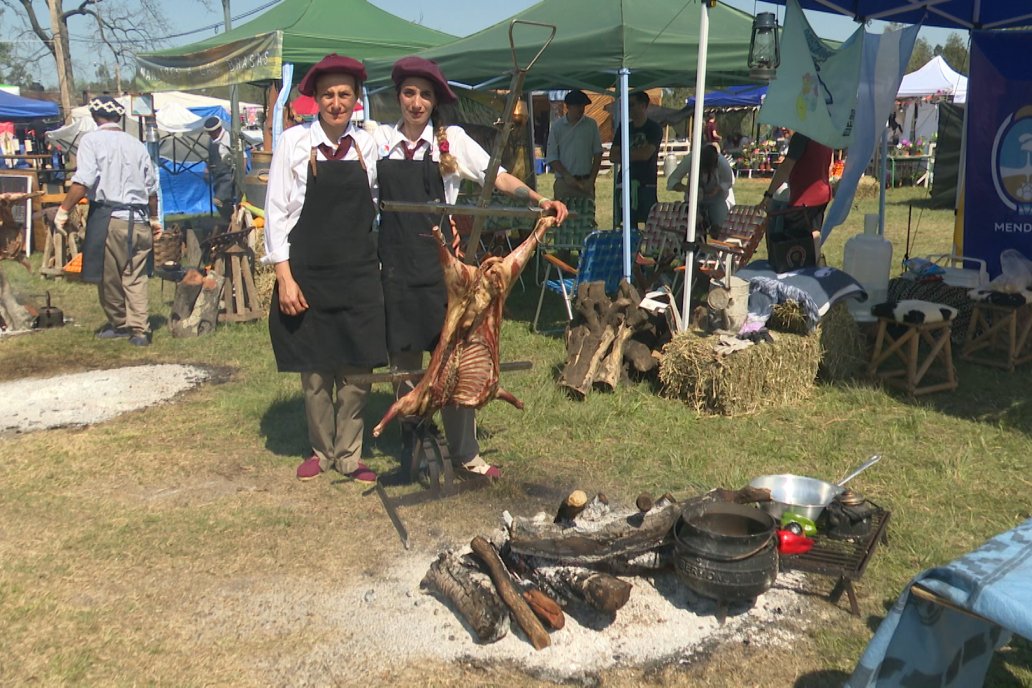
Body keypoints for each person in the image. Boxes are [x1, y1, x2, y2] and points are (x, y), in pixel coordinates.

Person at [374, 56, 567, 480]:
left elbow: (496, 177)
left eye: (424, 95)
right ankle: (415, 437)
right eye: (409, 93)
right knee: (405, 361)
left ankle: (465, 453)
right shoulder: (380, 141)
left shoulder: (451, 142)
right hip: (397, 269)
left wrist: (538, 201)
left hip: (446, 273)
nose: (416, 102)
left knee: (457, 357)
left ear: (434, 102)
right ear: (398, 97)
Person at [263, 54, 386, 483]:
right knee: (314, 368)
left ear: (356, 100)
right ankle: (321, 449)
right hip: (309, 268)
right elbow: (276, 211)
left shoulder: (368, 145)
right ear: (315, 99)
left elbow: (383, 203)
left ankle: (350, 454)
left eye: (345, 95)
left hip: (357, 270)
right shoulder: (294, 143)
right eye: (329, 94)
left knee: (357, 369)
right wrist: (284, 276)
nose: (337, 102)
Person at [54, 95, 160, 347]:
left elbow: (83, 181)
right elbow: (152, 189)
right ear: (118, 117)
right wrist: (155, 219)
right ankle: (141, 331)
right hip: (140, 218)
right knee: (135, 277)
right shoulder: (136, 144)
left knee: (107, 276)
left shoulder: (91, 141)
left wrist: (63, 210)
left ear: (94, 117)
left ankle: (121, 323)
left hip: (111, 219)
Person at [759, 130, 833, 268]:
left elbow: (786, 167)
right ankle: (817, 268)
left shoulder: (801, 136)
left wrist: (769, 194)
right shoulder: (825, 136)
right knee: (814, 233)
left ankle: (795, 274)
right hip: (822, 194)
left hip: (804, 197)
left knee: (793, 245)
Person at [610, 90, 663, 226]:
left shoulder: (654, 128)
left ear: (643, 106)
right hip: (625, 183)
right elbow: (612, 156)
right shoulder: (623, 128)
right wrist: (635, 154)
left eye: (632, 104)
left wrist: (624, 154)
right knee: (626, 224)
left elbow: (646, 155)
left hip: (647, 183)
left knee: (650, 224)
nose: (629, 108)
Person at [545, 89, 603, 203]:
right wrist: (566, 176)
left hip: (586, 182)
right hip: (564, 183)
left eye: (583, 106)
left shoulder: (591, 125)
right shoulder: (557, 127)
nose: (581, 109)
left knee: (587, 218)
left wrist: (592, 179)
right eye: (577, 106)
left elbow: (598, 152)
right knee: (563, 218)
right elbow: (551, 157)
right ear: (568, 107)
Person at [666, 143, 735, 236]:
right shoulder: (691, 159)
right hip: (694, 201)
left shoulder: (722, 162)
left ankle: (718, 245)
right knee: (689, 230)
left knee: (720, 230)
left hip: (718, 200)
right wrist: (687, 189)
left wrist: (717, 189)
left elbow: (729, 181)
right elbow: (672, 180)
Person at [203, 116, 236, 221]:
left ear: (217, 129)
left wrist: (239, 177)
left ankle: (231, 218)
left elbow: (242, 157)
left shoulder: (230, 138)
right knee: (222, 203)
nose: (210, 135)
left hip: (229, 177)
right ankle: (229, 220)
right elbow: (211, 159)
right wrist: (207, 170)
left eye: (211, 132)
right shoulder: (211, 142)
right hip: (217, 178)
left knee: (218, 200)